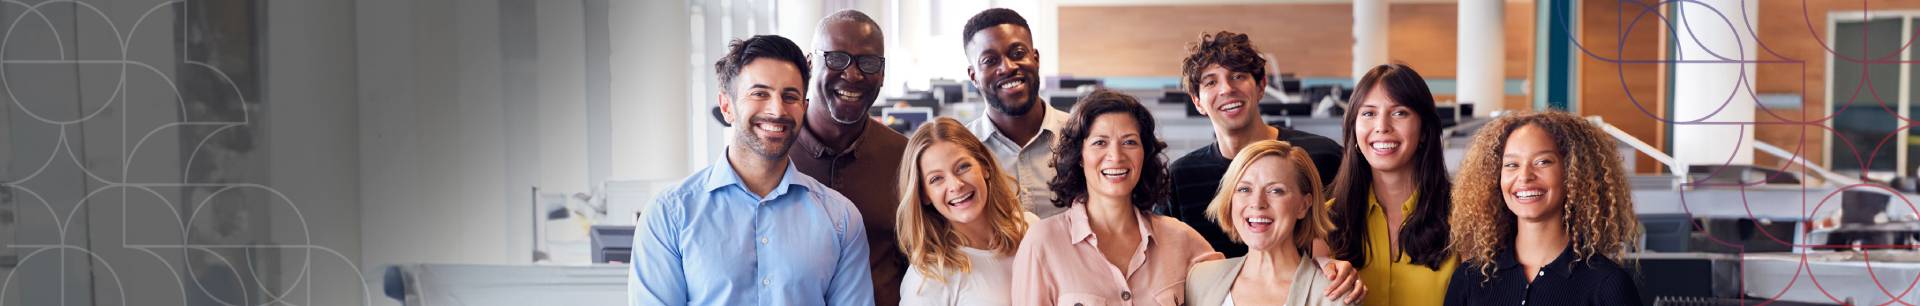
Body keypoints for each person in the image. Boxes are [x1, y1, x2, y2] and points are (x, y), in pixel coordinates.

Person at [629, 35, 873, 306]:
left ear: (803, 109)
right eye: (759, 94)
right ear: (727, 107)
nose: (777, 110)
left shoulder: (840, 219)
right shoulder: (669, 214)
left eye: (789, 96)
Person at [1011, 88, 1222, 305]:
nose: (1116, 156)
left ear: (1144, 154)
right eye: (1100, 143)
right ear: (1080, 155)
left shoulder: (1181, 239)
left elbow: (1231, 291)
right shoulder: (1042, 243)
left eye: (1129, 142)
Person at [1166, 30, 1343, 258]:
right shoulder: (1181, 178)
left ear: (1261, 86)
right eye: (1211, 82)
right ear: (1197, 102)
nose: (1226, 89)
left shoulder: (1322, 156)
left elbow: (1353, 241)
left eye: (1238, 76)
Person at [1444, 111, 1643, 305]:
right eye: (1512, 164)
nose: (1525, 176)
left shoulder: (1607, 285)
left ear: (1573, 174)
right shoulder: (1470, 279)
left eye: (1542, 162)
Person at [792, 10, 910, 305]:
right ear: (809, 64)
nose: (853, 74)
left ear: (882, 74)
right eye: (836, 58)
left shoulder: (905, 157)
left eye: (868, 63)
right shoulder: (774, 153)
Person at [1320, 64, 1457, 306]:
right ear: (1353, 128)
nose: (1382, 126)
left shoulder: (1462, 216)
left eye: (1399, 113)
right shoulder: (1325, 221)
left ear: (1424, 130)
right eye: (1369, 113)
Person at [1188, 140, 1355, 306]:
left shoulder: (1334, 294)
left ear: (1303, 206)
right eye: (1244, 189)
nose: (1257, 203)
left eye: (1276, 191)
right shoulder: (1199, 280)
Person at [895, 117, 1037, 305]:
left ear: (985, 166)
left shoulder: (1031, 229)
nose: (956, 185)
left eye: (963, 167)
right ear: (924, 195)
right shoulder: (927, 278)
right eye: (936, 179)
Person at [960, 8, 1072, 217]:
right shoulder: (961, 149)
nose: (1007, 67)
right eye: (990, 61)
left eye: (1018, 54)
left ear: (1035, 59)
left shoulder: (1080, 136)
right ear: (973, 76)